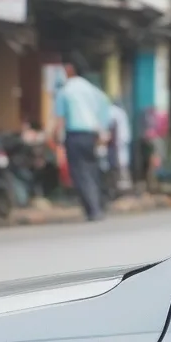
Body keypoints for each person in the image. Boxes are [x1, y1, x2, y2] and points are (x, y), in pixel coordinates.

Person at [54, 54, 111, 221]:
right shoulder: (92, 90)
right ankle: (99, 206)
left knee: (80, 172)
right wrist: (102, 131)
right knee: (92, 170)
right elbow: (105, 107)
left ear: (69, 69)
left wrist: (57, 135)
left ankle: (93, 210)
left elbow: (60, 118)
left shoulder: (65, 90)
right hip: (92, 135)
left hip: (75, 135)